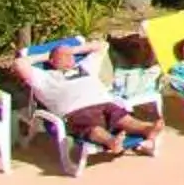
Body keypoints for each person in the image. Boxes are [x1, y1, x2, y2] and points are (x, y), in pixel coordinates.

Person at [10, 41, 160, 160]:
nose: (71, 58)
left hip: (103, 102)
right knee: (91, 125)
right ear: (52, 61)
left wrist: (71, 50)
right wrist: (47, 56)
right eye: (64, 56)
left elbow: (102, 45)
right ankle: (111, 141)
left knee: (123, 117)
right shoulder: (43, 76)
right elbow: (19, 64)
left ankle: (147, 129)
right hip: (76, 110)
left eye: (72, 55)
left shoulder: (85, 66)